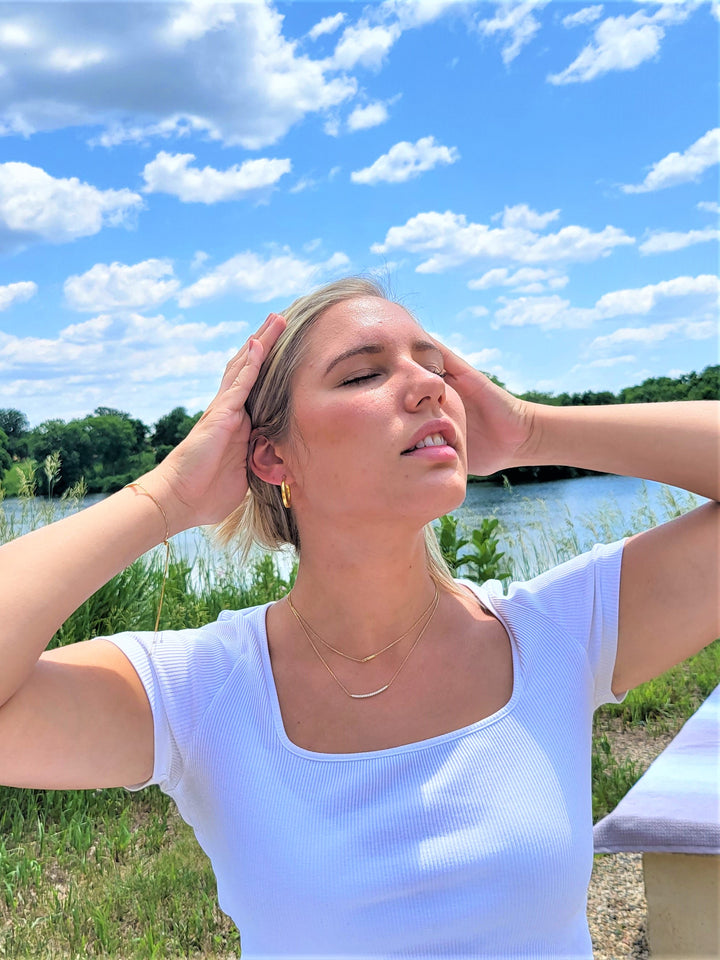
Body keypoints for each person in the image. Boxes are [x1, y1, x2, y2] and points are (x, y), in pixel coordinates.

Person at [0, 276, 717, 958]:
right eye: (363, 374)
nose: (431, 384)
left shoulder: (558, 632)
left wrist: (532, 431)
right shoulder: (198, 691)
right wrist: (167, 499)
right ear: (273, 456)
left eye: (434, 365)